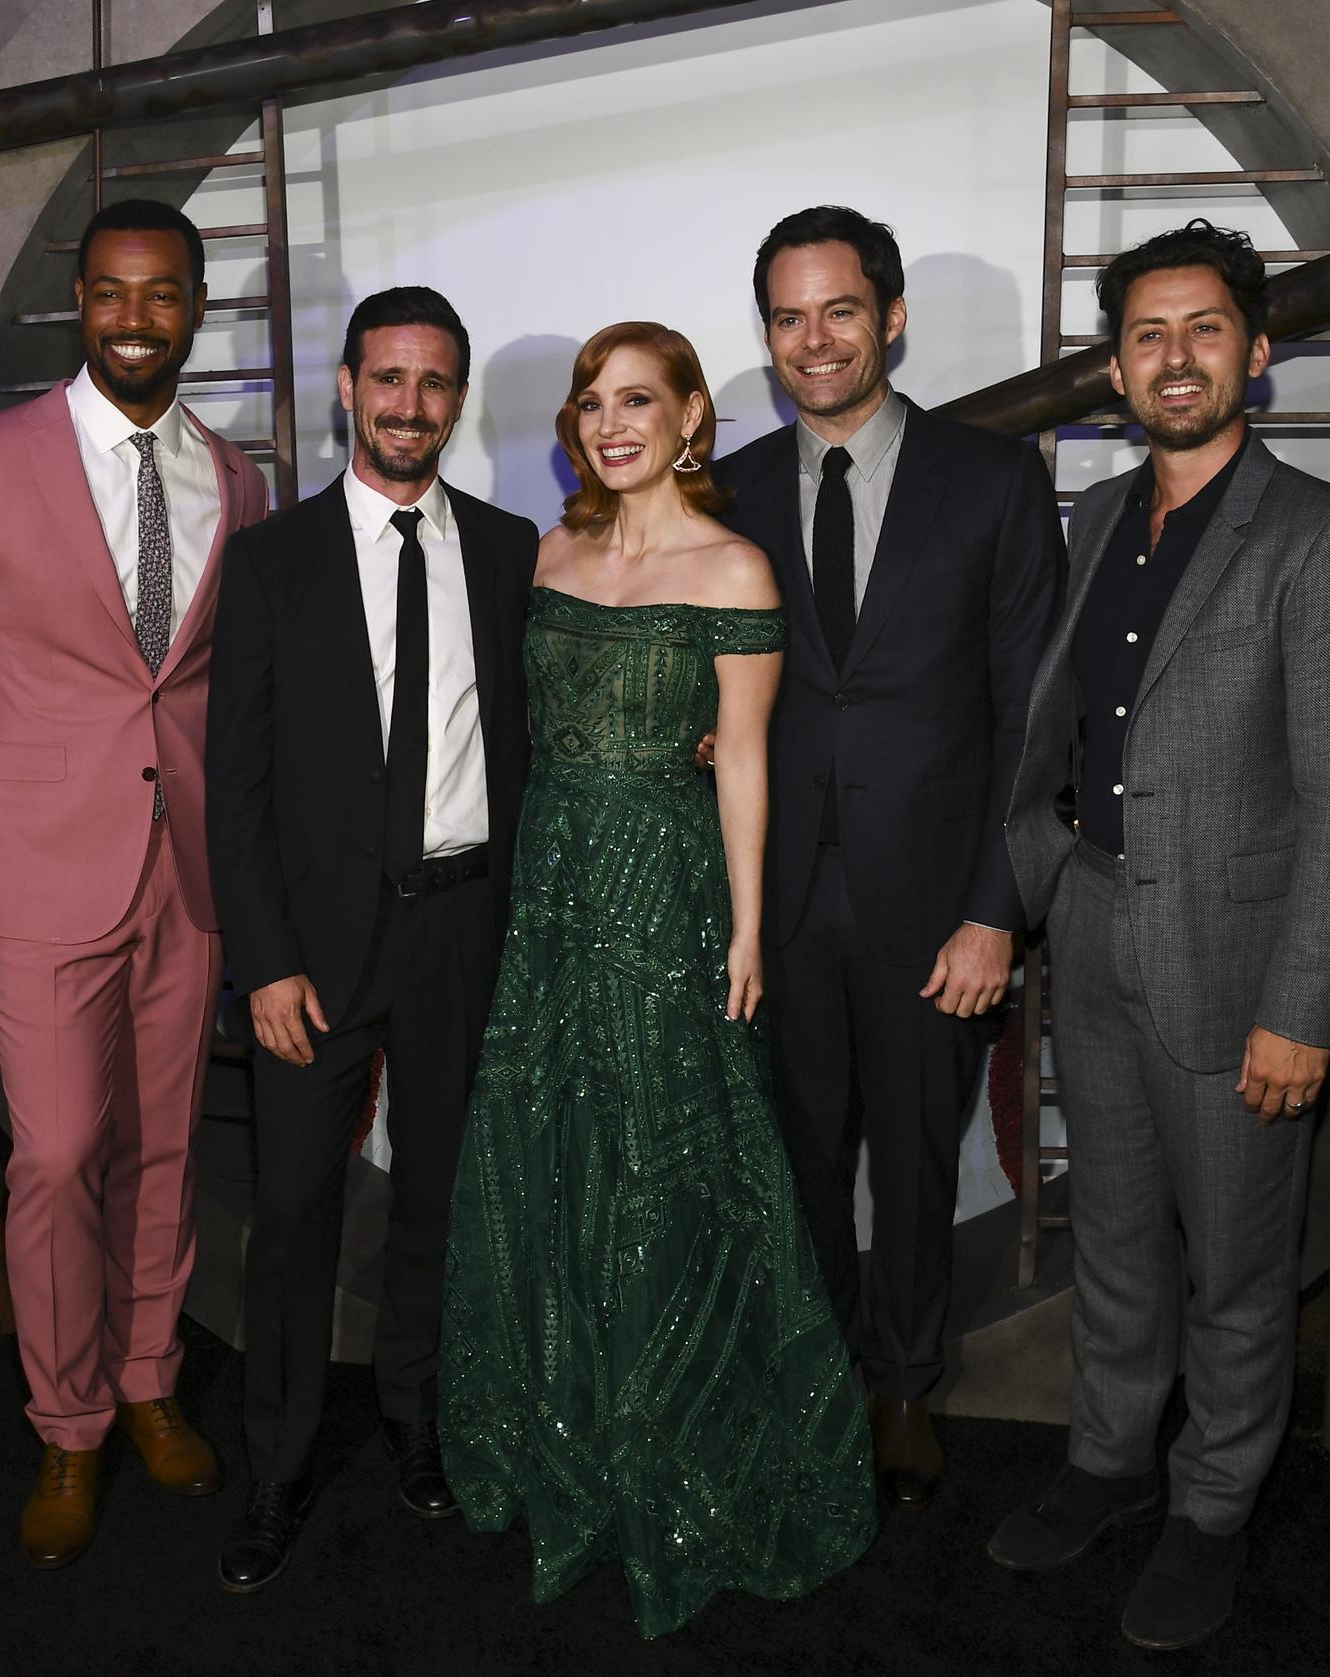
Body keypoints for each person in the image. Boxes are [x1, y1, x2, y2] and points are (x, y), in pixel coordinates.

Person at [989, 220, 1330, 1651]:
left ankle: (1212, 1506)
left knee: (1235, 1262)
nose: (1178, 358)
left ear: (1259, 355)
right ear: (1117, 369)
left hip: (1240, 972)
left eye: (1206, 330)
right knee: (1111, 1233)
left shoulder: (1325, 541)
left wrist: (1305, 1009)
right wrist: (1041, 868)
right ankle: (1109, 1461)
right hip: (1093, 932)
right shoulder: (1101, 523)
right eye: (1150, 336)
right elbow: (1052, 725)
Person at [439, 322, 877, 1638]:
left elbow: (741, 756)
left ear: (693, 418)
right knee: (554, 1147)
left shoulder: (737, 567)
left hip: (668, 893)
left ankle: (674, 1437)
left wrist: (746, 930)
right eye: (591, 401)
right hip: (552, 893)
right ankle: (562, 1425)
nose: (610, 421)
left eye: (641, 399)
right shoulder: (547, 554)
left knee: (666, 1161)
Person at [0, 198, 270, 1568]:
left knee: (167, 1143)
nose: (136, 317)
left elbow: (217, 693)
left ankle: (147, 1378)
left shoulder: (234, 483)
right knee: (57, 1154)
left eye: (162, 294)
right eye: (113, 292)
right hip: (33, 870)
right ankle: (66, 1424)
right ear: (80, 298)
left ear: (193, 306)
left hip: (186, 872)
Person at [715, 206, 1064, 1504]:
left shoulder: (994, 481)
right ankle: (817, 1376)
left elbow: (1036, 716)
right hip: (778, 904)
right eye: (791, 316)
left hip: (936, 910)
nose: (816, 339)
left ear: (892, 317)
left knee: (917, 1160)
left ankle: (906, 1382)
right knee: (796, 1155)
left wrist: (995, 910)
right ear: (768, 335)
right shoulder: (728, 490)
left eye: (841, 310)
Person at [204, 286, 538, 1593]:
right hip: (315, 951)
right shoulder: (273, 560)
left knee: (443, 1201)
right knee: (290, 1213)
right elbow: (235, 788)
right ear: (348, 386)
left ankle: (418, 1420)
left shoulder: (511, 552)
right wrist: (266, 958)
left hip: (463, 929)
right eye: (388, 378)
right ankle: (276, 1465)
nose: (411, 404)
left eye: (436, 381)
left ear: (458, 399)